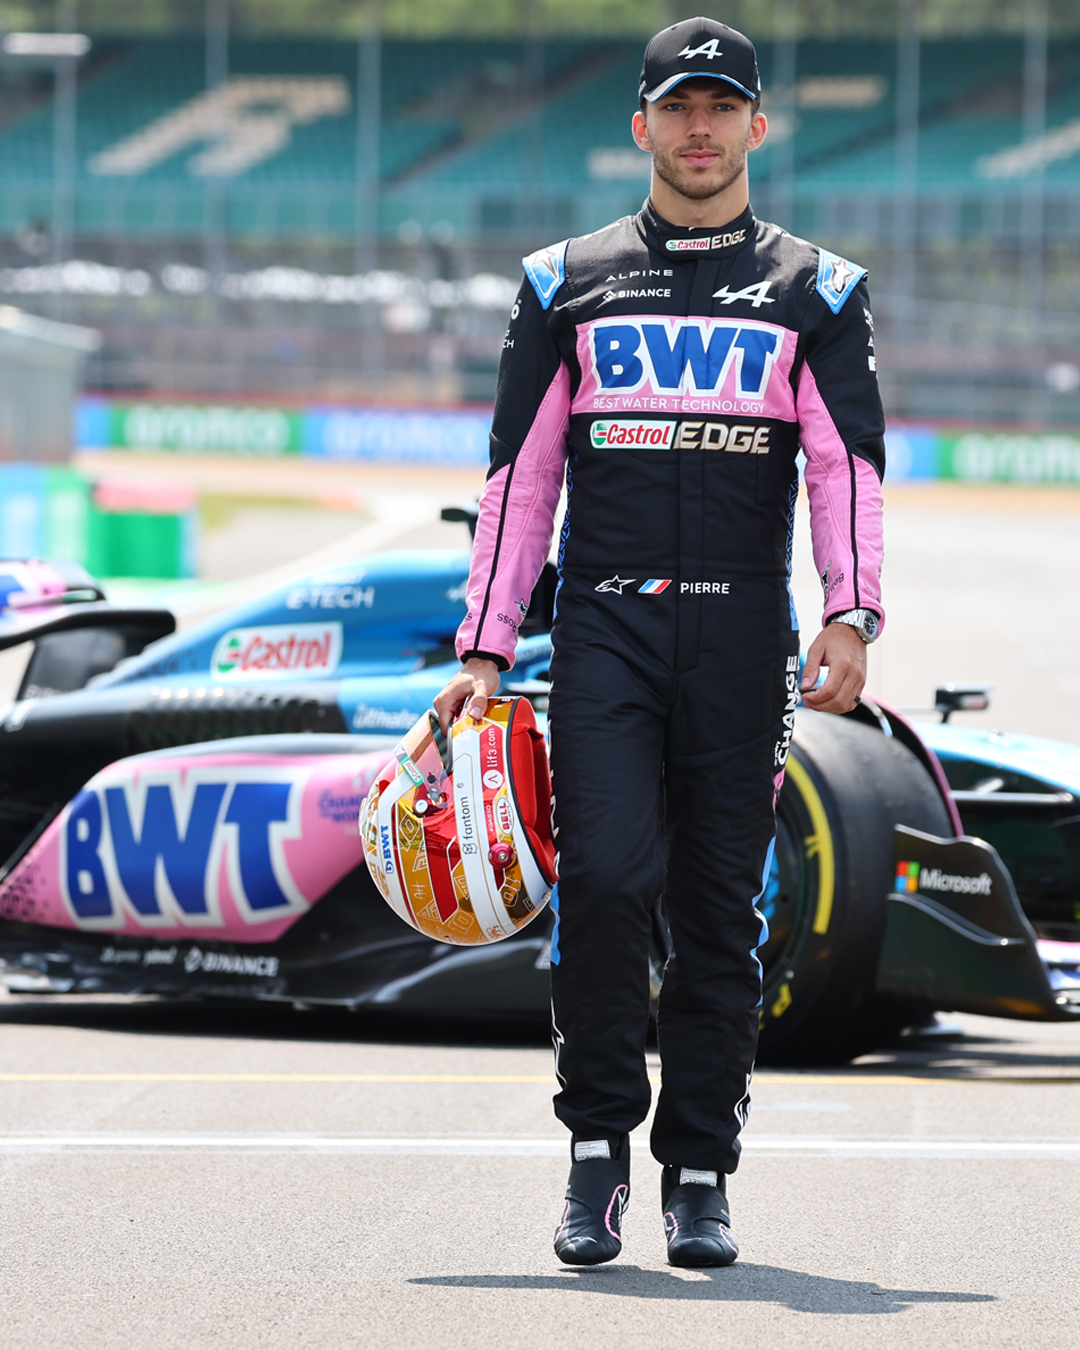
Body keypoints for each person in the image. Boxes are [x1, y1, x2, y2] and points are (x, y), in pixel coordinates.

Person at [435, 15, 885, 1268]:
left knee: (716, 908)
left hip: (745, 632)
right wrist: (482, 648)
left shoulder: (820, 291)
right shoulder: (561, 281)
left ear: (756, 125)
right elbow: (519, 482)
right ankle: (596, 1160)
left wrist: (852, 611)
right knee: (610, 883)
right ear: (641, 126)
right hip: (606, 631)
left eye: (721, 107)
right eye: (677, 108)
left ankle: (698, 1173)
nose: (699, 130)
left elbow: (851, 470)